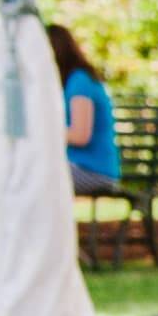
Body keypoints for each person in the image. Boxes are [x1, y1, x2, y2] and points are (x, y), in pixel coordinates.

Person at [49, 24, 122, 197]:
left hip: (93, 172)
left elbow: (80, 135)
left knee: (33, 177)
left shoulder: (80, 81)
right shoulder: (69, 82)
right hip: (75, 166)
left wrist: (42, 132)